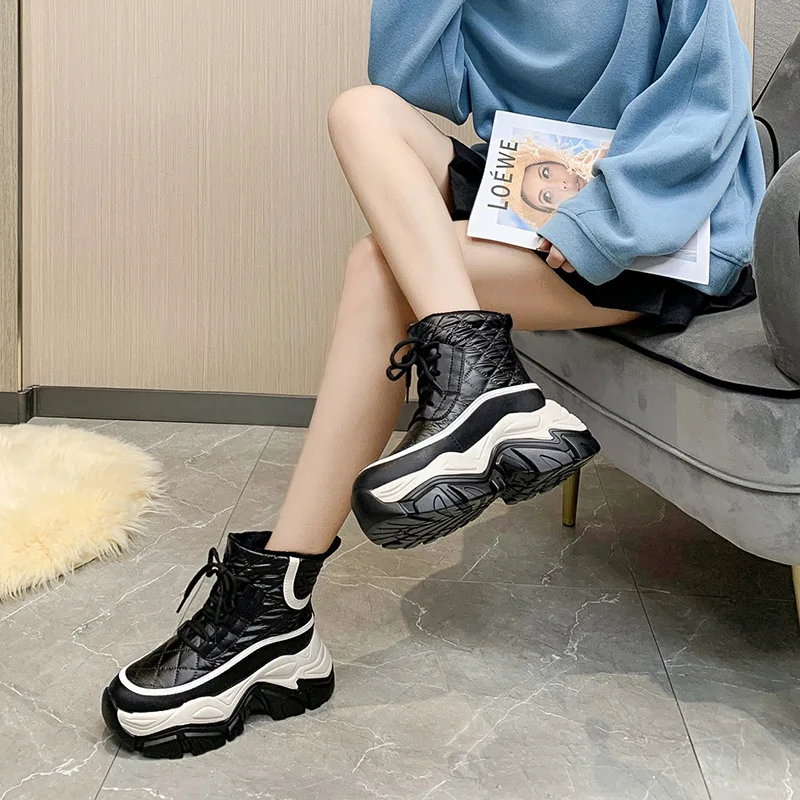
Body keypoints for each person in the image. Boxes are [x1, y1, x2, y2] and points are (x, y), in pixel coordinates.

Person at [101, 0, 765, 757]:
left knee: (376, 270)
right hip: (531, 194)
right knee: (360, 111)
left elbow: (706, 104)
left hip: (661, 226)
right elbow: (411, 75)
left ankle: (269, 610)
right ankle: (480, 389)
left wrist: (603, 223)